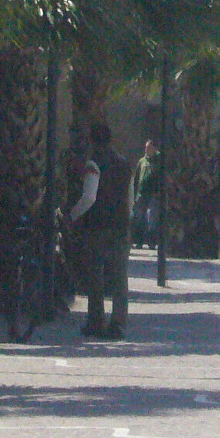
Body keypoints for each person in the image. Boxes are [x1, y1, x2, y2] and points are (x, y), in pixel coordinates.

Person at [69, 122, 131, 340]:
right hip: (121, 226)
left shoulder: (94, 164)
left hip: (97, 226)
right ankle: (118, 323)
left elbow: (89, 197)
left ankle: (96, 321)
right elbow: (129, 197)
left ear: (92, 141)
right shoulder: (124, 164)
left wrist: (73, 216)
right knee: (119, 276)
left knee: (95, 275)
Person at [130, 139, 160, 248]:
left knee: (151, 218)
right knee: (139, 218)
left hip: (153, 194)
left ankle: (152, 242)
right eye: (146, 147)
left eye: (149, 147)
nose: (146, 149)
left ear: (154, 148)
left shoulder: (159, 160)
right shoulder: (142, 161)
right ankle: (139, 241)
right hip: (141, 194)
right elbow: (137, 177)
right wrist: (135, 193)